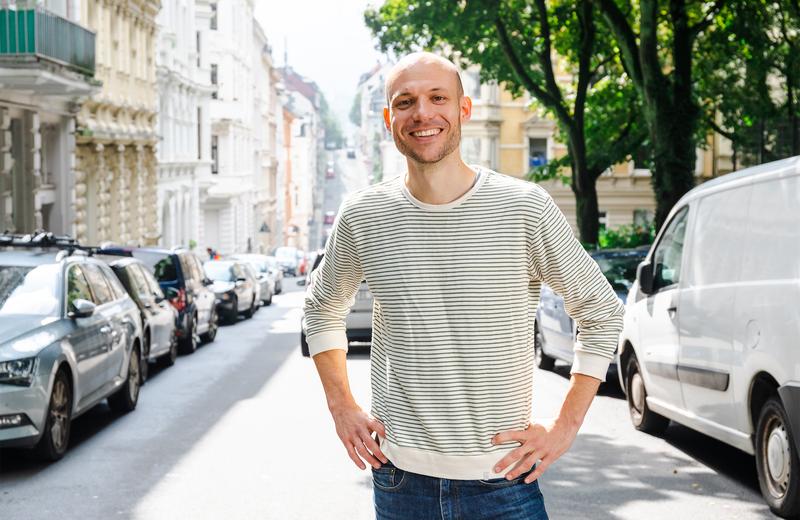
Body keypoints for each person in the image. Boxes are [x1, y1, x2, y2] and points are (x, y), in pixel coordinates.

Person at [303, 52, 624, 520]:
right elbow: (321, 309)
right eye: (406, 102)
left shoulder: (525, 208)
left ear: (463, 110)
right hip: (400, 481)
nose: (423, 113)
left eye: (438, 98)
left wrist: (564, 425)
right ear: (390, 118)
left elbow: (601, 311)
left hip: (503, 482)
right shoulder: (363, 215)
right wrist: (341, 407)